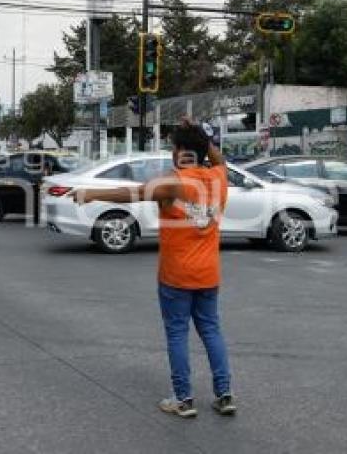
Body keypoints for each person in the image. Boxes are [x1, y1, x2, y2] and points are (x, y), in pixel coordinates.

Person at [74, 118, 235, 419]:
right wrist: (201, 137)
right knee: (211, 330)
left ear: (180, 152)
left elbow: (130, 193)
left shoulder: (173, 184)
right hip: (209, 274)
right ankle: (224, 395)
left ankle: (184, 399)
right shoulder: (219, 177)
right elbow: (218, 157)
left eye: (174, 147)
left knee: (177, 334)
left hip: (176, 276)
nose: (172, 153)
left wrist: (91, 194)